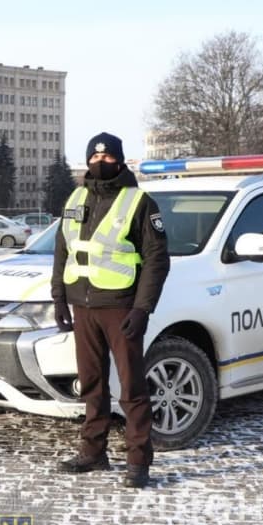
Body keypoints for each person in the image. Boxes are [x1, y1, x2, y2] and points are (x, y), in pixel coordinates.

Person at [51, 133, 170, 489]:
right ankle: (93, 452)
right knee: (91, 383)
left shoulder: (139, 202)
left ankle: (137, 460)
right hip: (82, 305)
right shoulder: (74, 197)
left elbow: (156, 260)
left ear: (119, 160)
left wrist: (142, 308)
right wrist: (59, 298)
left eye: (106, 157)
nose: (99, 162)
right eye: (94, 157)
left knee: (132, 386)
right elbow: (63, 251)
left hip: (121, 307)